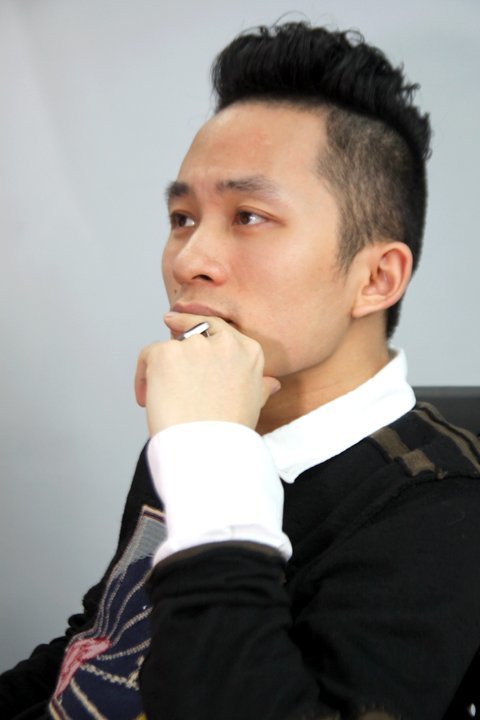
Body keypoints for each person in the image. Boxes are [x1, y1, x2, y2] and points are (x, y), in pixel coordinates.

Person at [2, 20, 480, 720]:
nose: (188, 259)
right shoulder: (207, 421)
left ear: (376, 277)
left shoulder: (442, 510)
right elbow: (103, 646)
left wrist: (209, 459)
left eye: (249, 216)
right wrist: (203, 443)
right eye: (182, 216)